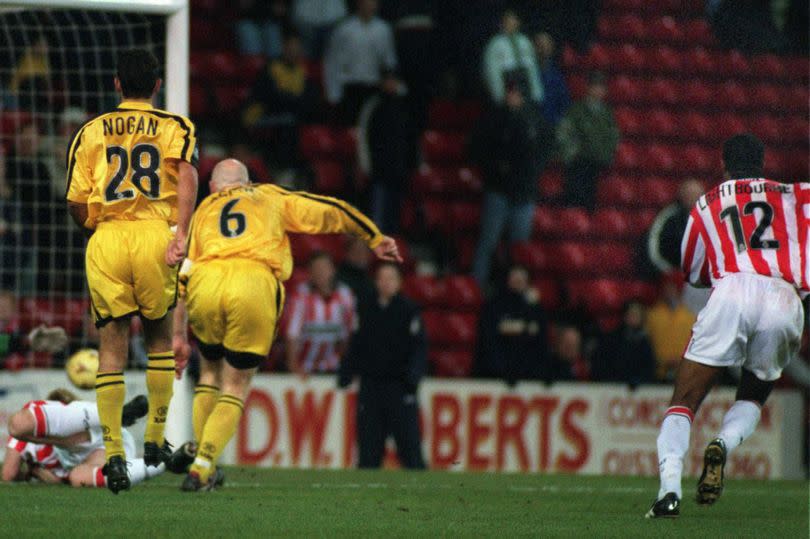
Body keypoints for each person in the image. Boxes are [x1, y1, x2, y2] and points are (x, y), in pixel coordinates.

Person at [172, 158, 400, 491]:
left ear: (212, 187)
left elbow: (182, 275)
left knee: (209, 372)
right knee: (235, 384)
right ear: (247, 182)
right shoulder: (267, 196)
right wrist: (373, 235)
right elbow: (329, 210)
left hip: (205, 283)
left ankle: (202, 458)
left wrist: (178, 334)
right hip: (252, 280)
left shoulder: (202, 211)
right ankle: (203, 466)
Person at [646, 134, 807, 518]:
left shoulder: (708, 201)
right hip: (783, 297)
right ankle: (723, 442)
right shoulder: (795, 194)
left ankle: (669, 493)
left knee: (683, 401)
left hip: (731, 290)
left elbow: (693, 270)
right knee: (753, 393)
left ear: (724, 164)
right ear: (763, 163)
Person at [65, 48, 199, 494]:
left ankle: (116, 457)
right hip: (153, 236)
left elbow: (75, 200)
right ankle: (156, 440)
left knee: (111, 346)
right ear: (158, 86)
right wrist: (179, 232)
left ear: (117, 84)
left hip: (107, 236)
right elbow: (187, 176)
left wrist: (100, 229)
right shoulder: (175, 127)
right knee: (160, 337)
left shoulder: (91, 131)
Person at [4, 389, 190, 488]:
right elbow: (59, 481)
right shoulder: (40, 461)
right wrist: (35, 473)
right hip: (106, 450)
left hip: (100, 434)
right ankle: (165, 462)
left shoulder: (26, 444)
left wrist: (28, 471)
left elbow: (8, 474)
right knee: (77, 477)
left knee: (17, 426)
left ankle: (116, 415)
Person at [338, 262, 427, 469]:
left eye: (391, 278)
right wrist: (347, 371)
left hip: (399, 386)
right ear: (376, 282)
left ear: (399, 283)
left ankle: (422, 493)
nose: (386, 283)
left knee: (410, 448)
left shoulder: (409, 310)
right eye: (382, 278)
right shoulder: (366, 308)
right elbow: (357, 344)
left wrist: (413, 376)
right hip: (371, 386)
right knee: (368, 449)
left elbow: (419, 348)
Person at [470, 86, 547, 285]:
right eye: (510, 92)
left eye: (517, 93)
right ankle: (477, 287)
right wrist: (495, 168)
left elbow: (542, 152)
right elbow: (479, 149)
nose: (512, 97)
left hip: (523, 192)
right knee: (488, 242)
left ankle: (511, 290)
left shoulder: (534, 120)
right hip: (498, 189)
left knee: (519, 249)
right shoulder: (494, 118)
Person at [241, 29, 316, 170]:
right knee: (287, 126)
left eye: (297, 48)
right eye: (291, 47)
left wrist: (293, 101)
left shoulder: (301, 71)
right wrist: (292, 101)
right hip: (259, 116)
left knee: (294, 124)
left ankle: (292, 169)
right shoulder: (271, 68)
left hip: (285, 117)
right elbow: (272, 99)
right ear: (284, 47)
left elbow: (307, 98)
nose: (294, 51)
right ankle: (280, 168)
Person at [323, 0, 398, 124]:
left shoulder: (383, 29)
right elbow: (332, 63)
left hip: (373, 87)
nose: (370, 4)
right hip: (350, 87)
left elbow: (389, 61)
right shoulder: (344, 29)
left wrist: (389, 79)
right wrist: (333, 93)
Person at [284, 251, 357, 376]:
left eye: (324, 267)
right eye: (316, 268)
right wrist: (293, 366)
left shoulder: (345, 295)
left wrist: (347, 366)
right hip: (304, 368)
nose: (320, 272)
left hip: (334, 368)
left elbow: (350, 334)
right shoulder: (301, 295)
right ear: (310, 274)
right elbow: (292, 334)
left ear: (333, 270)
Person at [556, 71, 619, 211]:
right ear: (588, 87)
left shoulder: (607, 114)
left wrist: (606, 155)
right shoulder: (576, 110)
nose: (598, 90)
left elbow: (613, 137)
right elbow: (563, 134)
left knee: (591, 208)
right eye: (595, 86)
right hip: (577, 167)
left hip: (598, 168)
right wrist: (572, 155)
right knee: (574, 206)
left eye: (601, 87)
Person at [476, 264, 548, 384]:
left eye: (522, 280)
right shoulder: (493, 307)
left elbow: (541, 344)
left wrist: (540, 371)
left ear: (528, 283)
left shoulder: (536, 311)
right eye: (515, 279)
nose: (518, 283)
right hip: (495, 377)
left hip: (529, 377)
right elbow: (488, 343)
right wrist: (503, 371)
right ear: (507, 280)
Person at [642, 179, 705, 278]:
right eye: (689, 194)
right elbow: (653, 246)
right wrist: (668, 272)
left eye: (697, 195)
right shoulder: (669, 216)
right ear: (681, 195)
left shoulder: (710, 217)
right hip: (671, 273)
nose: (693, 198)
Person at [482, 10, 543, 106]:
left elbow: (532, 68)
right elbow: (492, 71)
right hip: (509, 83)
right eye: (509, 20)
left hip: (525, 81)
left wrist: (536, 92)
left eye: (514, 20)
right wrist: (500, 95)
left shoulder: (525, 41)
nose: (512, 23)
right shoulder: (495, 44)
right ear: (502, 23)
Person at [591, 301, 656, 387]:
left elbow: (649, 368)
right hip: (612, 387)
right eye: (631, 314)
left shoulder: (644, 341)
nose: (633, 318)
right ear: (625, 316)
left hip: (637, 391)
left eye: (637, 315)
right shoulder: (612, 338)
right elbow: (602, 363)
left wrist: (640, 380)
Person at [646, 274, 696, 382]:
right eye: (667, 287)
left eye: (673, 287)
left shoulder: (690, 317)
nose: (669, 291)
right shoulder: (653, 315)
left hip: (683, 374)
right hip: (657, 373)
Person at [533, 32, 570, 128]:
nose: (544, 49)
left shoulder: (556, 74)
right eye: (540, 45)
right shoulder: (529, 73)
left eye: (547, 45)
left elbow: (564, 101)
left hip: (553, 124)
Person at [336, 235, 375, 308]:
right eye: (356, 251)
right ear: (348, 253)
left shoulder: (371, 279)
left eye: (364, 251)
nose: (361, 255)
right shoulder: (339, 278)